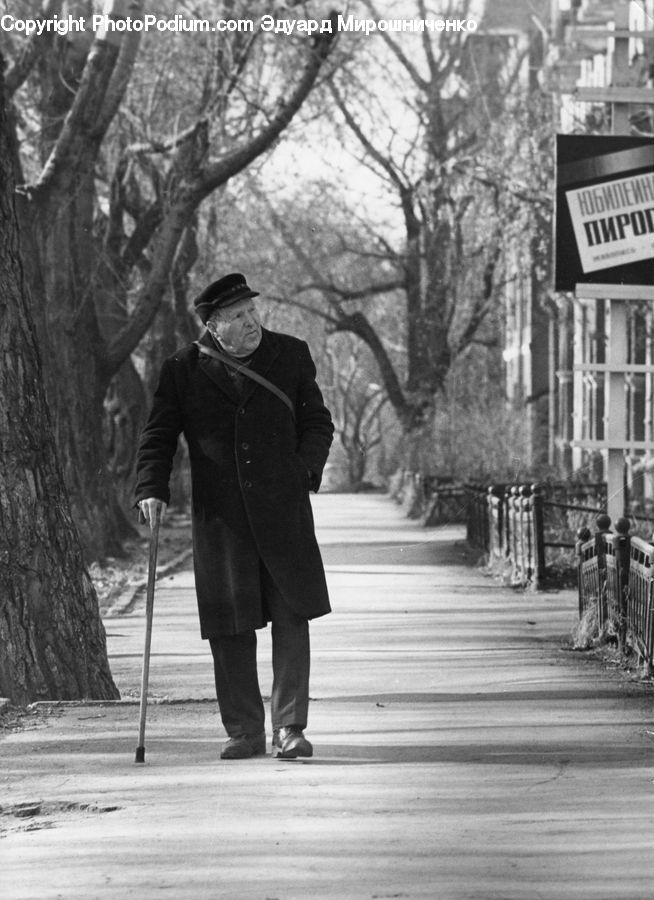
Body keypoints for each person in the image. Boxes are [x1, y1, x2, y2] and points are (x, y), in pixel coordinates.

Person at [135, 272, 334, 760]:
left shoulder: (289, 355)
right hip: (220, 518)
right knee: (230, 625)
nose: (252, 323)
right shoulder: (182, 369)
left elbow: (317, 421)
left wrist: (303, 468)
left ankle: (289, 727)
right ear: (214, 326)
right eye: (239, 317)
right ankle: (244, 730)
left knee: (291, 615)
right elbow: (159, 435)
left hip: (282, 511)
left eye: (252, 312)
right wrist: (150, 489)